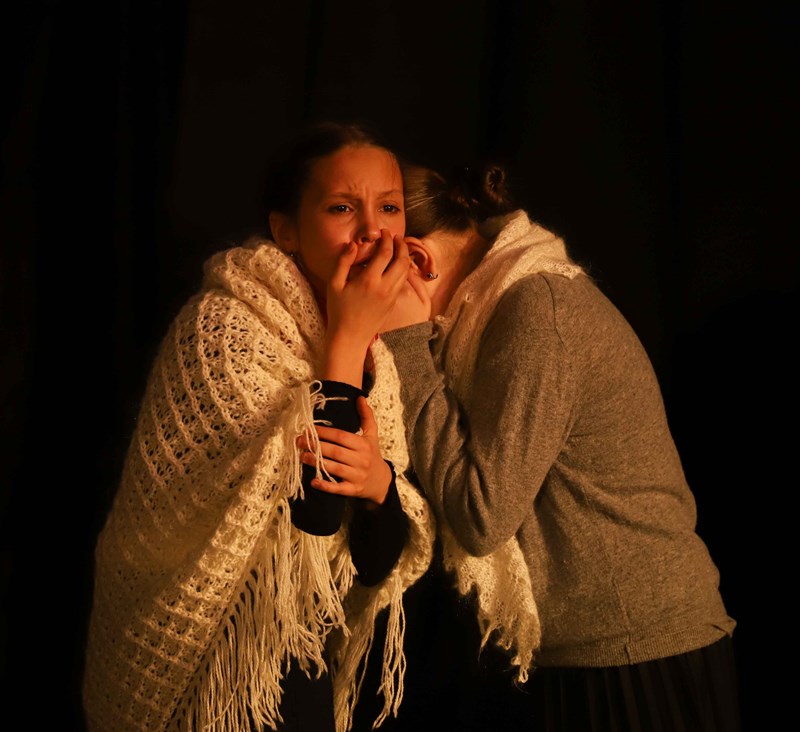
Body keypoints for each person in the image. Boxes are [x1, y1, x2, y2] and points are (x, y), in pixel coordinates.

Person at [317, 160, 741, 731]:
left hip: (640, 652)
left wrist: (406, 340)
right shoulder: (499, 302)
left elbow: (481, 515)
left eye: (371, 282)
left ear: (415, 261)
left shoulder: (538, 309)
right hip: (590, 652)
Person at [81, 122, 435, 732]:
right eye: (342, 208)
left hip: (294, 663)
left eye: (389, 208)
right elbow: (314, 516)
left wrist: (380, 485)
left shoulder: (377, 363)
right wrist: (347, 337)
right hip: (211, 662)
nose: (373, 231)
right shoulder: (222, 330)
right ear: (286, 231)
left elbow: (373, 565)